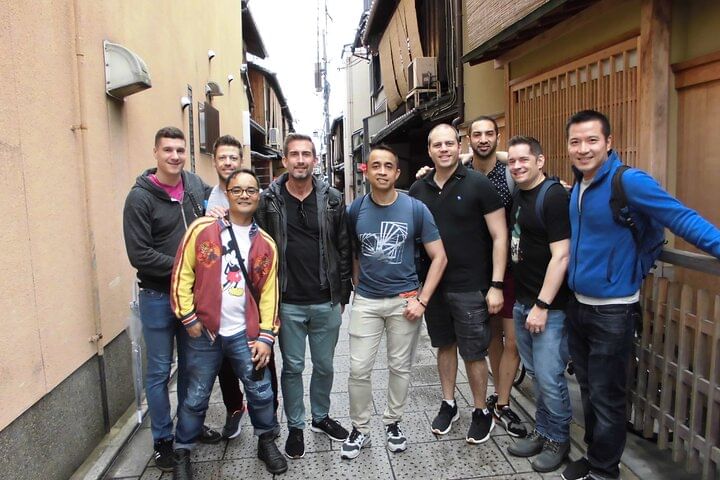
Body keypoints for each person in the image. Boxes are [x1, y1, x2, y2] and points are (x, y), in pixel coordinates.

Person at [562, 110, 720, 480]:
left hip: (613, 311)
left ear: (609, 142)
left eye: (592, 140)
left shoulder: (629, 181)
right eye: (575, 142)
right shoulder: (580, 183)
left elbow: (680, 218)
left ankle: (605, 471)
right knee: (588, 390)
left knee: (608, 396)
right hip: (578, 306)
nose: (583, 149)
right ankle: (595, 456)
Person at [170, 169, 287, 478]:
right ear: (228, 194)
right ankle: (182, 450)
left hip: (246, 334)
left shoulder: (266, 244)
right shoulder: (202, 230)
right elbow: (182, 273)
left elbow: (270, 294)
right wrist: (188, 316)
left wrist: (266, 336)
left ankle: (266, 440)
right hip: (204, 332)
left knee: (260, 391)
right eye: (237, 190)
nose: (244, 195)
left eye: (251, 190)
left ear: (258, 196)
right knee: (196, 395)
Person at [122, 127, 221, 472]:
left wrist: (218, 212)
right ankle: (163, 439)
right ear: (155, 153)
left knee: (193, 366)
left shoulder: (193, 185)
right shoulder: (140, 198)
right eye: (168, 150)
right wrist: (188, 266)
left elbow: (218, 200)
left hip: (193, 298)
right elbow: (140, 254)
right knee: (160, 371)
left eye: (180, 150)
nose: (175, 156)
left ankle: (189, 428)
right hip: (157, 297)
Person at [341, 145, 447, 459]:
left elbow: (440, 257)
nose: (383, 171)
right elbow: (355, 253)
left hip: (405, 302)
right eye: (376, 165)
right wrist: (358, 287)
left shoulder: (415, 209)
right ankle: (360, 428)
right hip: (367, 301)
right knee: (358, 369)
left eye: (389, 166)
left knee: (400, 368)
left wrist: (422, 300)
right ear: (367, 171)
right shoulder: (356, 209)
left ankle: (393, 422)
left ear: (397, 172)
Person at [409, 123, 508, 445]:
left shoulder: (478, 183)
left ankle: (481, 410)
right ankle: (448, 403)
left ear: (459, 146)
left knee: (474, 351)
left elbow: (500, 235)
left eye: (449, 143)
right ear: (429, 150)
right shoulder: (419, 189)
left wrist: (496, 284)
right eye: (437, 145)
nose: (444, 149)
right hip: (434, 285)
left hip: (471, 283)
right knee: (444, 345)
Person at [255, 133, 352, 459]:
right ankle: (296, 425)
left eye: (306, 154)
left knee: (324, 365)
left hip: (325, 299)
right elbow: (257, 245)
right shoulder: (268, 200)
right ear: (284, 160)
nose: (300, 160)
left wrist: (343, 294)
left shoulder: (332, 199)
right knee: (293, 367)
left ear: (315, 159)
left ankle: (320, 417)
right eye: (294, 154)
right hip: (287, 301)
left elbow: (344, 246)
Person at [502, 136, 572, 473]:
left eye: (524, 160)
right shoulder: (520, 191)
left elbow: (562, 255)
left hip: (549, 307)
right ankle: (543, 431)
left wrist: (542, 305)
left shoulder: (553, 196)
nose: (517, 166)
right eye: (512, 161)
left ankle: (559, 438)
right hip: (523, 300)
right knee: (536, 375)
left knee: (549, 376)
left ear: (540, 161)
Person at [205, 135, 280, 440]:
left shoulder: (257, 196)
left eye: (233, 158)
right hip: (220, 302)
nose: (228, 163)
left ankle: (269, 418)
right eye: (222, 158)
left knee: (263, 359)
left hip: (253, 296)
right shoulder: (204, 197)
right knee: (225, 366)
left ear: (241, 160)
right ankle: (234, 409)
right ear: (214, 162)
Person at [466, 117, 526, 438]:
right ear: (468, 139)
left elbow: (530, 166)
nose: (483, 139)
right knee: (490, 335)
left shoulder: (510, 173)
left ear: (498, 136)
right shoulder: (463, 171)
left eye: (489, 133)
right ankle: (499, 397)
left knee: (512, 338)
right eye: (477, 134)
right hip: (478, 267)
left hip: (513, 267)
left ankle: (503, 402)